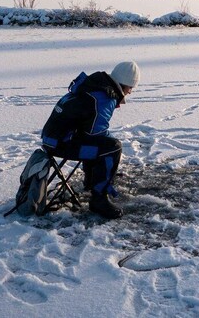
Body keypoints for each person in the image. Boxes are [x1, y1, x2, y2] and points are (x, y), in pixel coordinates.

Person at [40, 61, 140, 219]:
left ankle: (91, 181)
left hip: (51, 138)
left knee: (99, 144)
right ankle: (99, 199)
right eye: (131, 88)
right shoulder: (105, 97)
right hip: (60, 144)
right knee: (112, 147)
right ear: (125, 85)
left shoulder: (93, 86)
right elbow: (95, 133)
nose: (130, 92)